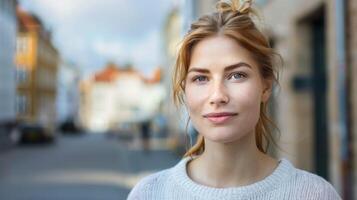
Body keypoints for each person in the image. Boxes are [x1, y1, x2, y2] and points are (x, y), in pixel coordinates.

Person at [127, 0, 341, 199]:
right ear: (185, 89)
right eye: (201, 78)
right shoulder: (150, 194)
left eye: (237, 75)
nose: (218, 96)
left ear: (265, 85)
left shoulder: (313, 194)